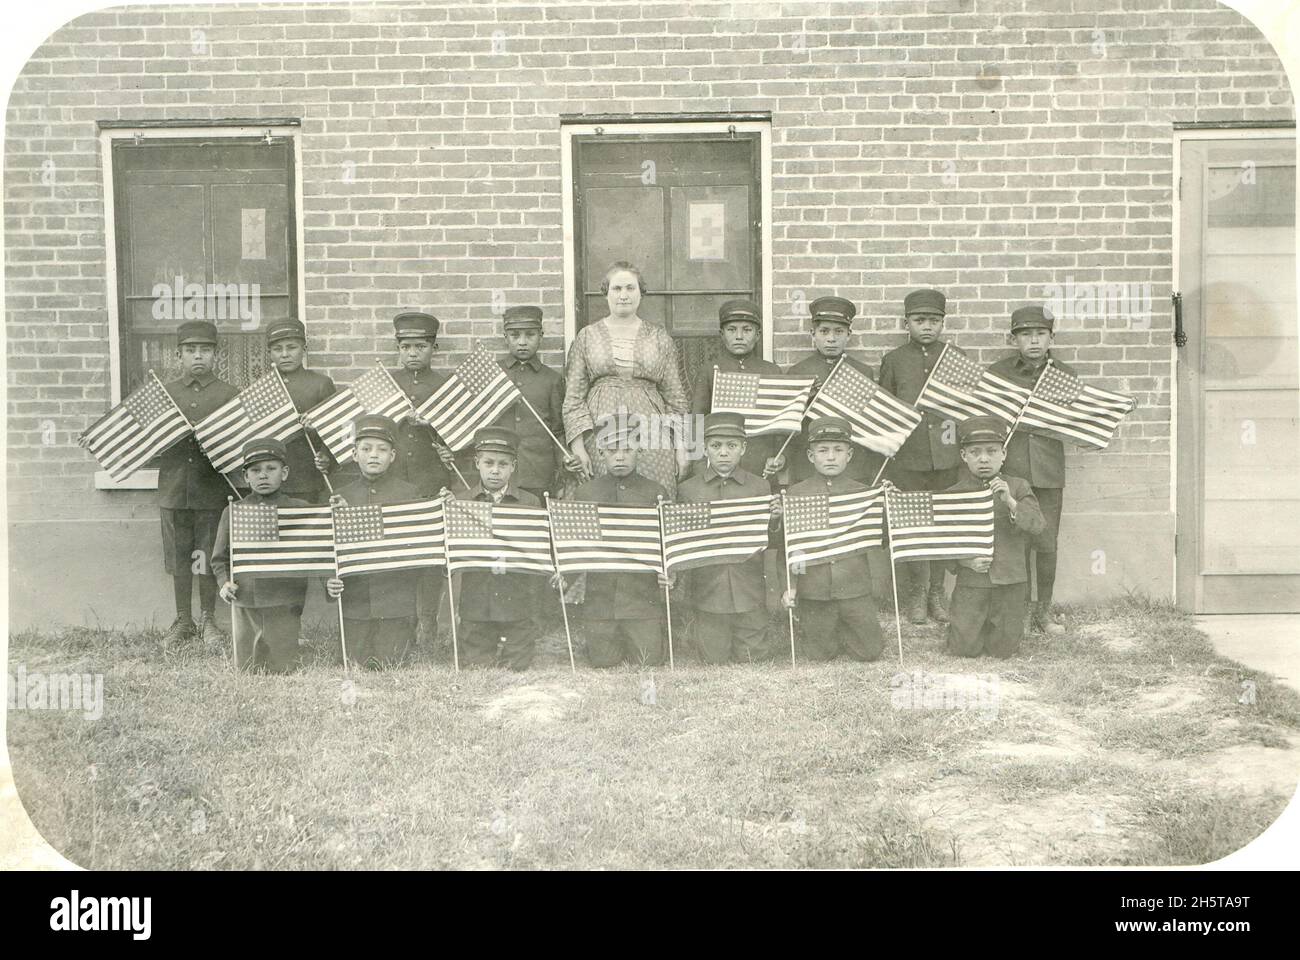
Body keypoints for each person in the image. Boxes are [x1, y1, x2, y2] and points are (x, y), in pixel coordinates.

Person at [562, 260, 690, 497]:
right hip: (600, 428)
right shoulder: (587, 336)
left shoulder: (660, 338)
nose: (624, 295)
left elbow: (676, 398)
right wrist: (578, 447)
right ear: (606, 293)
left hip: (651, 431)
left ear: (641, 293)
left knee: (652, 494)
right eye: (617, 289)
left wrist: (681, 448)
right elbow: (573, 398)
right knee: (600, 495)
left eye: (630, 288)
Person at [987, 305, 1074, 635]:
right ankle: (1019, 610)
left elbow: (1073, 422)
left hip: (1049, 471)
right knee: (1017, 542)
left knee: (1047, 542)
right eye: (1025, 335)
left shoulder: (1064, 375)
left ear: (1051, 337)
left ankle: (1043, 610)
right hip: (1015, 471)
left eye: (1040, 334)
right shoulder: (999, 373)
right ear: (1013, 339)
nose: (1033, 341)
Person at [878, 289, 962, 625]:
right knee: (913, 525)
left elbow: (964, 408)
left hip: (946, 456)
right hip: (909, 458)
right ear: (906, 323)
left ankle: (937, 592)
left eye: (934, 320)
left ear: (943, 323)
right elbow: (885, 412)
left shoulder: (955, 357)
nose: (927, 327)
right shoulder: (894, 360)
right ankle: (917, 590)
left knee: (940, 525)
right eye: (919, 320)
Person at [158, 320, 238, 646]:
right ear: (179, 355)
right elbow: (152, 445)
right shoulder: (167, 394)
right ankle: (182, 619)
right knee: (179, 557)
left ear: (215, 354)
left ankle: (208, 619)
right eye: (190, 350)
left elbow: (236, 445)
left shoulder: (229, 394)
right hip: (174, 489)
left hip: (210, 491)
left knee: (207, 554)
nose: (198, 357)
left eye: (205, 350)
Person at [938, 416, 1046, 658]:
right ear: (964, 456)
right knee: (964, 650)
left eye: (991, 451)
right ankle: (965, 627)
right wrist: (965, 562)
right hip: (972, 583)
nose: (984, 459)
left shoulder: (1018, 487)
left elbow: (1038, 526)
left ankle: (995, 628)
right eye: (975, 452)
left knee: (1003, 651)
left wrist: (1009, 501)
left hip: (1010, 583)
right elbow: (943, 541)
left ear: (1004, 453)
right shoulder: (954, 494)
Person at [675, 412, 775, 664]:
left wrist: (775, 519)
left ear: (743, 448)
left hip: (749, 590)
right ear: (705, 448)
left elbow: (769, 539)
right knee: (713, 659)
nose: (723, 453)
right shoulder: (689, 490)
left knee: (753, 658)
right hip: (708, 593)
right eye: (716, 445)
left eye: (731, 446)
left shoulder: (759, 487)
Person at [781, 417, 884, 662]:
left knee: (870, 652)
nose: (830, 457)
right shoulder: (796, 494)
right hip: (815, 589)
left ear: (849, 455)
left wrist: (886, 501)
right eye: (823, 450)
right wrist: (790, 585)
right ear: (810, 455)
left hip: (853, 588)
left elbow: (880, 539)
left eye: (838, 450)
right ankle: (823, 626)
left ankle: (848, 626)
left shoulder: (863, 493)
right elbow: (789, 548)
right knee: (819, 655)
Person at [567, 427, 671, 668]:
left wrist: (669, 574)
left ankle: (651, 632)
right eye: (613, 450)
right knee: (603, 661)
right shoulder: (586, 492)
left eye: (627, 449)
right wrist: (566, 577)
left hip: (640, 598)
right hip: (601, 599)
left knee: (649, 660)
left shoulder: (655, 492)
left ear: (639, 451)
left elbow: (666, 540)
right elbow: (576, 543)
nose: (620, 456)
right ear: (601, 452)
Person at [325, 414, 421, 669]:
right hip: (355, 599)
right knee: (354, 661)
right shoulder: (341, 496)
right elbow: (330, 548)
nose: (374, 455)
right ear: (355, 454)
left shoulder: (409, 494)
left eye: (382, 449)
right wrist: (330, 578)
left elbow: (414, 545)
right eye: (366, 449)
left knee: (390, 661)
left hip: (395, 598)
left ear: (393, 456)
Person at [443, 427, 543, 671]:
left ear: (513, 466)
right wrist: (447, 511)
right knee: (477, 666)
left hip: (516, 601)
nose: (495, 470)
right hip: (477, 603)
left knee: (517, 666)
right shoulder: (462, 502)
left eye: (503, 464)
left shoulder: (529, 503)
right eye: (488, 463)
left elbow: (536, 553)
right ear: (477, 463)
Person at [211, 438, 309, 673]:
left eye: (271, 469)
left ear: (284, 472)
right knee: (247, 667)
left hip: (284, 599)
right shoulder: (234, 511)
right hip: (246, 598)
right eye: (255, 470)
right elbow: (219, 558)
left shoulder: (300, 509)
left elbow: (315, 550)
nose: (263, 476)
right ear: (245, 477)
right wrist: (224, 583)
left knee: (283, 666)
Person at [786, 295, 885, 484]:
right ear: (812, 334)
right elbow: (790, 425)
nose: (831, 338)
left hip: (852, 464)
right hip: (809, 465)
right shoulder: (798, 372)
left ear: (849, 334)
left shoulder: (862, 371)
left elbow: (868, 421)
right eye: (824, 331)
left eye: (839, 331)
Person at [689, 298, 786, 485]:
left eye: (747, 330)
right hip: (719, 463)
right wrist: (700, 465)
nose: (739, 336)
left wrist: (781, 456)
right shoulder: (710, 370)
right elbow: (697, 421)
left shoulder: (771, 371)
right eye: (732, 330)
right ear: (721, 334)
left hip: (761, 462)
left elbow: (781, 422)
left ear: (758, 335)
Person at [493, 304, 580, 500]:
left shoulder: (552, 379)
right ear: (505, 337)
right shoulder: (494, 375)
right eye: (515, 335)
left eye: (530, 335)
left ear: (541, 336)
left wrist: (563, 459)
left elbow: (557, 430)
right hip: (498, 473)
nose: (522, 342)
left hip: (537, 473)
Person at [265, 317, 336, 504]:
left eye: (292, 347)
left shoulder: (320, 384)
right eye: (277, 349)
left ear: (304, 350)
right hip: (269, 479)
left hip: (306, 477)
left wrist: (325, 456)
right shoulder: (262, 389)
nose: (285, 354)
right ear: (269, 354)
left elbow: (335, 428)